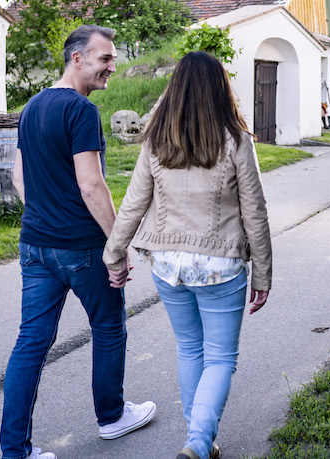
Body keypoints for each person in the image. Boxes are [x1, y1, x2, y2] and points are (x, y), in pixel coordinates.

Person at [104, 51, 272, 459]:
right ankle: (198, 442)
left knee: (189, 348)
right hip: (220, 267)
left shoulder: (157, 140)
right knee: (219, 358)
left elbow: (133, 202)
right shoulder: (236, 140)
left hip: (166, 264)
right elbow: (255, 210)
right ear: (221, 88)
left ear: (175, 88)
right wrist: (263, 275)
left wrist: (114, 253)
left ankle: (200, 440)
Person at [1, 25, 156, 459]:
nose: (112, 66)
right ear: (77, 59)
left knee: (30, 341)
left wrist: (47, 215)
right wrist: (118, 245)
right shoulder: (81, 110)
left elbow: (19, 177)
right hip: (84, 250)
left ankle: (15, 451)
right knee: (108, 329)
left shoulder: (32, 107)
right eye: (105, 58)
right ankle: (112, 417)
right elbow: (92, 186)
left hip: (34, 246)